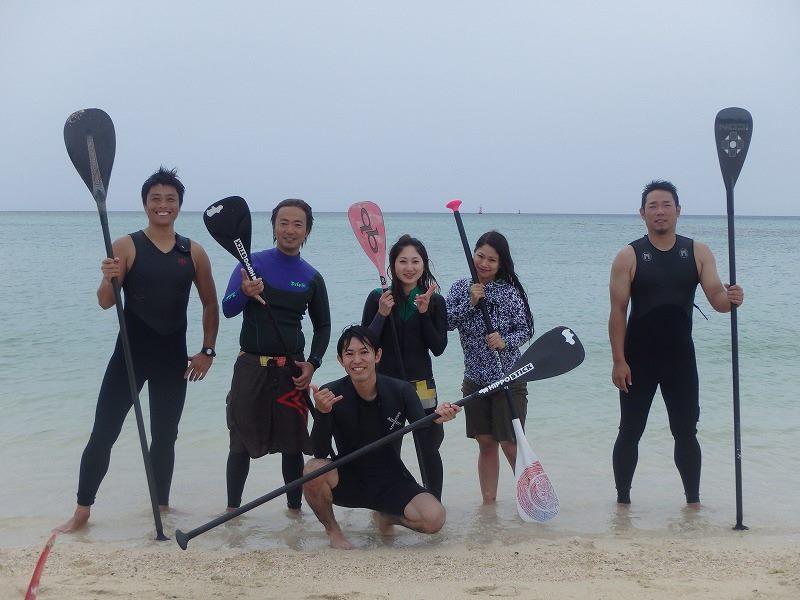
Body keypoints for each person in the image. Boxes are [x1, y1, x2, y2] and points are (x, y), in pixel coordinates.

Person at [56, 167, 219, 533]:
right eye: (155, 199)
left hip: (172, 359)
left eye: (170, 199)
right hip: (130, 356)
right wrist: (110, 278)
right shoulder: (126, 246)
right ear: (145, 204)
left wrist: (207, 351)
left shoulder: (193, 251)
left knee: (165, 436)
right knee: (104, 432)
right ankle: (82, 511)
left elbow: (210, 304)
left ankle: (160, 505)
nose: (163, 206)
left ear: (179, 205)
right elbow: (104, 302)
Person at [609, 180, 744, 506]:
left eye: (666, 204)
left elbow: (716, 299)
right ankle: (623, 502)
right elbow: (617, 313)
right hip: (637, 358)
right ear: (642, 213)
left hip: (680, 358)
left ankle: (693, 502)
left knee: (686, 431)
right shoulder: (629, 256)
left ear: (678, 210)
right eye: (653, 206)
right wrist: (618, 360)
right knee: (630, 430)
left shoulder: (697, 252)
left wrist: (732, 299)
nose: (660, 211)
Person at [303, 326, 460, 549]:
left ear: (377, 355)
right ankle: (334, 533)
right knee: (311, 471)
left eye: (364, 352)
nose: (357, 360)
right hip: (349, 479)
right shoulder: (332, 393)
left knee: (435, 518)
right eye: (349, 354)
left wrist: (437, 423)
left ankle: (387, 517)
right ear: (340, 360)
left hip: (392, 480)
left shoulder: (401, 391)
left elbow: (428, 444)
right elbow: (319, 452)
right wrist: (323, 414)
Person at [222, 199, 331, 515]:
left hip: (291, 370)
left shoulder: (311, 277)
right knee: (239, 439)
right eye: (283, 222)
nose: (290, 230)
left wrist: (313, 363)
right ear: (273, 226)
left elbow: (323, 326)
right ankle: (232, 512)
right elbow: (228, 308)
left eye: (298, 224)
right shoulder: (250, 265)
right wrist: (244, 292)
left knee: (293, 443)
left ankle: (294, 512)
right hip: (250, 367)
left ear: (307, 230)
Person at [446, 231, 534, 504]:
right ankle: (489, 504)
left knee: (510, 444)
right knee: (485, 444)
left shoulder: (509, 292)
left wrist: (504, 340)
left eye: (491, 260)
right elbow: (446, 322)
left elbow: (526, 329)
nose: (484, 263)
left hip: (508, 377)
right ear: (473, 254)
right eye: (480, 256)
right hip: (475, 379)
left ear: (500, 263)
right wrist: (470, 302)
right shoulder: (461, 288)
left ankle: (530, 498)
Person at [361, 234, 448, 500]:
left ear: (424, 264)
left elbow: (438, 347)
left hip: (422, 385)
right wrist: (382, 314)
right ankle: (385, 505)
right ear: (393, 264)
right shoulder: (379, 297)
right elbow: (365, 347)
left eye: (415, 261)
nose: (409, 267)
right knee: (387, 448)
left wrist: (423, 314)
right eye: (402, 261)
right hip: (385, 386)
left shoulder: (434, 301)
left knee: (429, 447)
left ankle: (434, 504)